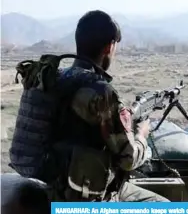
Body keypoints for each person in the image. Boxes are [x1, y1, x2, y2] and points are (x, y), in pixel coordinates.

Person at [10, 10, 169, 202]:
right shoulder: (99, 92)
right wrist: (142, 135)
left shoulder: (55, 79)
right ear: (109, 47)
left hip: (49, 182)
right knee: (162, 204)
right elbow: (128, 159)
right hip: (79, 194)